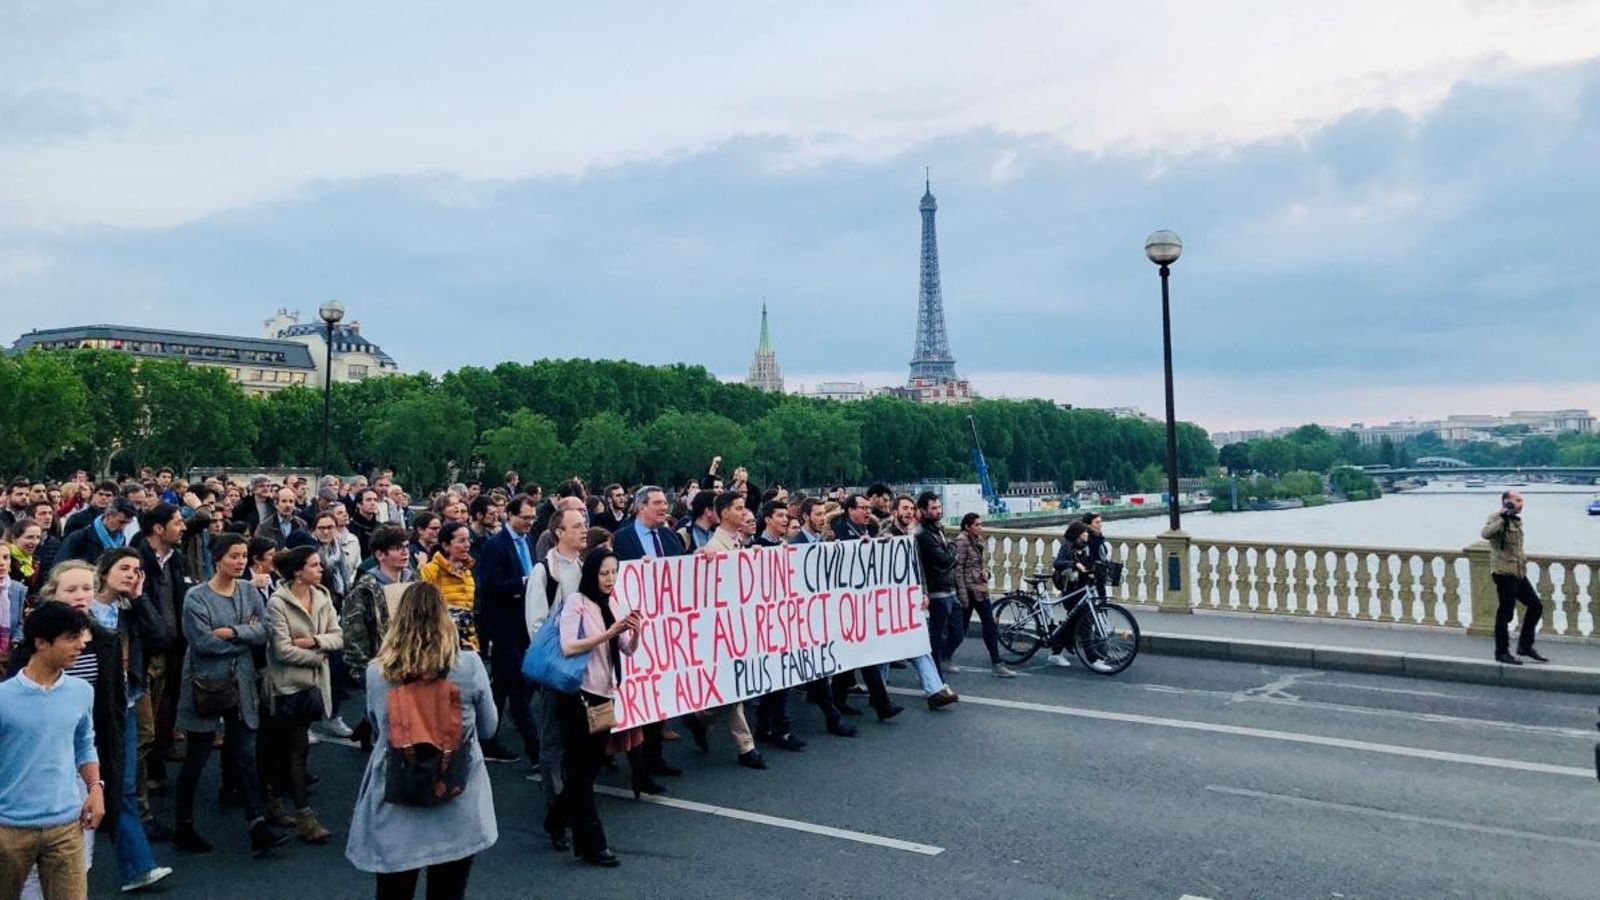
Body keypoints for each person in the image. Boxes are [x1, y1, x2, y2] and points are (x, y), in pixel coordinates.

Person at [345, 582, 498, 900]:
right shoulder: (468, 665)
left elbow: (376, 725)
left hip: (399, 792)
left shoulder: (379, 672)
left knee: (393, 891)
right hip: (456, 794)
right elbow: (489, 728)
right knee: (448, 891)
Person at [171, 532, 290, 856]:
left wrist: (233, 631)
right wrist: (244, 636)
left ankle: (258, 825)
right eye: (233, 556)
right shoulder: (196, 597)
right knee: (196, 756)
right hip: (205, 685)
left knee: (245, 757)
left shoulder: (250, 592)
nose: (239, 562)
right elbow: (202, 643)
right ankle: (183, 825)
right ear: (218, 559)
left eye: (242, 556)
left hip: (242, 685)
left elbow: (264, 630)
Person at [0, 602, 103, 900]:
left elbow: (84, 743)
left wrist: (95, 787)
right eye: (71, 638)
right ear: (42, 643)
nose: (81, 646)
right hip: (9, 829)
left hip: (66, 826)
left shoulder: (81, 691)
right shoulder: (4, 698)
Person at [555, 547, 643, 867]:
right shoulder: (575, 604)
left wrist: (636, 631)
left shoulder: (612, 602)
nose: (609, 579)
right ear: (591, 573)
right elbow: (568, 646)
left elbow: (627, 650)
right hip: (578, 697)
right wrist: (608, 632)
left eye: (613, 572)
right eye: (603, 573)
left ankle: (556, 820)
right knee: (582, 772)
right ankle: (594, 845)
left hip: (605, 694)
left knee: (587, 770)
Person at [261, 546, 341, 843]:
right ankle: (303, 814)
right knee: (294, 747)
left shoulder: (322, 596)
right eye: (314, 565)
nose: (320, 569)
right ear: (298, 571)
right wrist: (318, 656)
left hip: (314, 685)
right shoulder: (277, 603)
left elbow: (337, 635)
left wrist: (313, 641)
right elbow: (282, 650)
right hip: (287, 686)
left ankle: (274, 799)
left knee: (293, 748)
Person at [472, 494, 541, 764]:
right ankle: (534, 748)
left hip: (525, 620)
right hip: (503, 623)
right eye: (525, 518)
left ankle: (487, 738)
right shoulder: (495, 546)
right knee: (517, 684)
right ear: (510, 516)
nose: (529, 523)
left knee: (502, 685)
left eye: (532, 519)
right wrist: (523, 583)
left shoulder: (530, 541)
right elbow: (488, 586)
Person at [1482, 491, 1548, 665]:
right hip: (1503, 573)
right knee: (1506, 614)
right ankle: (1501, 652)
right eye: (1517, 500)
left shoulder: (1517, 521)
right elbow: (1485, 534)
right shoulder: (1496, 518)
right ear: (1507, 502)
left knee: (1536, 606)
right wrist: (1503, 516)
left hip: (1518, 573)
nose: (1521, 503)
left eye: (1521, 500)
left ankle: (1525, 646)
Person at [953, 513, 1016, 678]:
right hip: (969, 591)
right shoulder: (961, 542)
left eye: (980, 525)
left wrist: (986, 573)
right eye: (977, 525)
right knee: (961, 629)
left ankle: (997, 663)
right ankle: (943, 656)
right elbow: (957, 570)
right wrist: (962, 595)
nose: (980, 528)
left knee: (989, 625)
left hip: (980, 590)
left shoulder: (977, 541)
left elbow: (980, 564)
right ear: (967, 526)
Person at [915, 492, 962, 675]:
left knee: (957, 632)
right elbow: (943, 559)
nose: (938, 511)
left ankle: (943, 658)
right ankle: (935, 672)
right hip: (937, 590)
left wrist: (950, 554)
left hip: (950, 587)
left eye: (939, 507)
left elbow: (947, 559)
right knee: (937, 633)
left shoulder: (939, 529)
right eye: (933, 508)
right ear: (924, 510)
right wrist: (952, 548)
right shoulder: (924, 533)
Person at [420, 522, 478, 651]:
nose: (467, 545)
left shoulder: (467, 570)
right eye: (462, 541)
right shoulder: (431, 570)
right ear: (446, 545)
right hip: (441, 642)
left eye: (468, 540)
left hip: (468, 640)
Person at [1046, 521, 1094, 668]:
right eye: (1085, 532)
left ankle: (1059, 649)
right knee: (1082, 621)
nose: (1087, 534)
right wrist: (1074, 564)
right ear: (1078, 534)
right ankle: (1093, 659)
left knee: (1073, 622)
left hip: (1080, 589)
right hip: (1070, 591)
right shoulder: (1067, 546)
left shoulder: (1083, 548)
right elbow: (1058, 563)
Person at [57, 498, 138, 568]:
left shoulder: (121, 540)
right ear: (109, 515)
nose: (123, 527)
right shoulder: (80, 538)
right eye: (121, 522)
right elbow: (61, 566)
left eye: (127, 523)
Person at [6, 520, 45, 599]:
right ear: (14, 538)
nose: (35, 542)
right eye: (29, 537)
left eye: (38, 537)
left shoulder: (36, 562)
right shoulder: (6, 559)